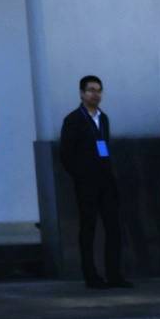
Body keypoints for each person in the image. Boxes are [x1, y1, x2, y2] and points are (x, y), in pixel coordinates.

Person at [56, 74, 133, 289]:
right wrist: (81, 175)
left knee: (113, 227)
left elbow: (104, 147)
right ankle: (91, 275)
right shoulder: (73, 120)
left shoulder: (104, 119)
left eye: (98, 90)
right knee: (88, 228)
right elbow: (66, 154)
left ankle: (114, 274)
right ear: (81, 93)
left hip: (106, 181)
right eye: (90, 90)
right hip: (86, 182)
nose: (95, 94)